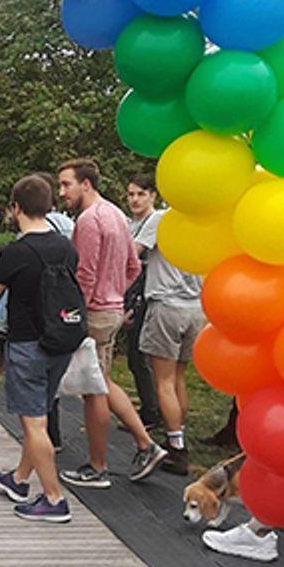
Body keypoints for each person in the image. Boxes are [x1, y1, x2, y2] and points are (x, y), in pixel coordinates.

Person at [56, 159, 167, 488]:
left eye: (66, 184)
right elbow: (133, 266)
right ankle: (147, 445)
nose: (62, 192)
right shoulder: (116, 214)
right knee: (101, 380)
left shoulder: (89, 220)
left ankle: (98, 466)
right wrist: (114, 294)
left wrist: (76, 311)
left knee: (93, 391)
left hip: (93, 312)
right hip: (110, 309)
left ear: (86, 184)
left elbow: (84, 274)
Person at [0, 175, 78, 523]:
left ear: (15, 208)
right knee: (37, 412)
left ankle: (54, 498)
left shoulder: (15, 252)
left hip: (27, 345)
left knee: (34, 422)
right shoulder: (67, 247)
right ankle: (20, 479)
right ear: (49, 206)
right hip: (61, 343)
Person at [134, 203, 205, 476]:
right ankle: (178, 435)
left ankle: (176, 448)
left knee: (163, 381)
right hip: (195, 307)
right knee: (178, 377)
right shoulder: (201, 219)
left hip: (166, 305)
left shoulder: (161, 219)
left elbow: (134, 251)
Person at [124, 175, 162, 432]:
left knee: (140, 355)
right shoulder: (129, 223)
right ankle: (149, 408)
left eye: (140, 194)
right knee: (133, 356)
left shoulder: (156, 220)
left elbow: (132, 253)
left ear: (152, 196)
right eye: (130, 194)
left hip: (148, 293)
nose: (135, 199)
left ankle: (152, 411)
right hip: (132, 291)